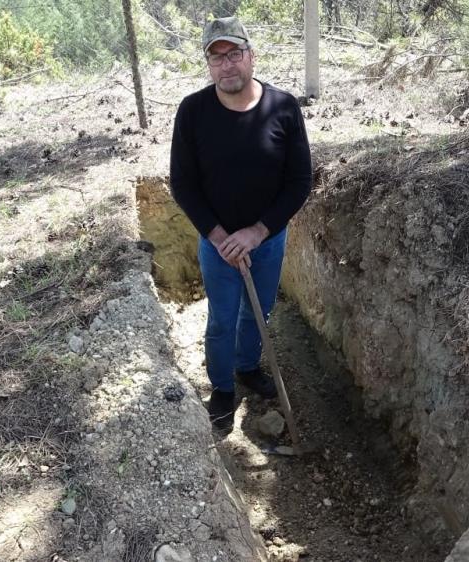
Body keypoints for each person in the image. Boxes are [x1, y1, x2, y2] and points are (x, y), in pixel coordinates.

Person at [169, 16, 312, 432]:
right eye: (216, 58)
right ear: (208, 65)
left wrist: (257, 232)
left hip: (268, 241)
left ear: (251, 55)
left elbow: (299, 180)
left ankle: (247, 366)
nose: (226, 65)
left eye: (234, 54)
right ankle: (222, 387)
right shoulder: (193, 111)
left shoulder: (283, 107)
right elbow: (183, 183)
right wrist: (220, 238)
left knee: (258, 311)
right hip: (218, 246)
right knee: (221, 318)